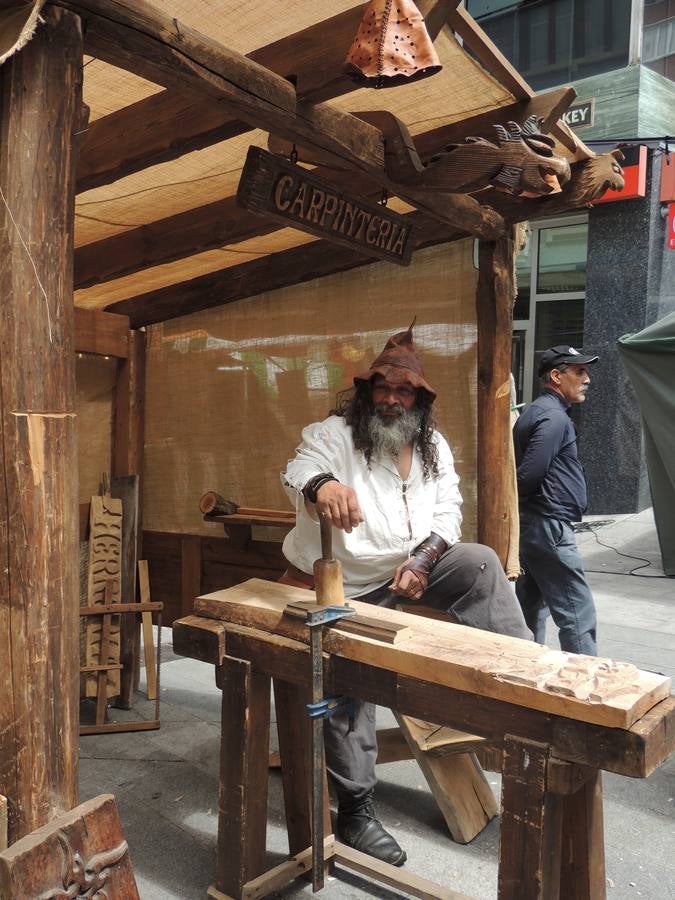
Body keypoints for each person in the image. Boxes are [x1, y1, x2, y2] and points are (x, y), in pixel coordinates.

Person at [281, 324, 531, 867]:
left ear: (420, 399)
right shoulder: (335, 435)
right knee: (349, 684)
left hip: (408, 574)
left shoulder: (433, 447)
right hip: (343, 586)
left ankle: (525, 681)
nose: (392, 400)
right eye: (383, 389)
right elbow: (296, 466)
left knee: (481, 563)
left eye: (404, 392)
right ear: (367, 392)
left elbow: (450, 514)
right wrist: (322, 485)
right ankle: (356, 809)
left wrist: (424, 559)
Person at [513, 345, 599, 656]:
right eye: (580, 371)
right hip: (548, 525)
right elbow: (528, 475)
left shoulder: (542, 412)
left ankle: (526, 669)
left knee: (531, 608)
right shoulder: (553, 417)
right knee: (578, 613)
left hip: (538, 523)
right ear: (556, 376)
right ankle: (584, 684)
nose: (586, 379)